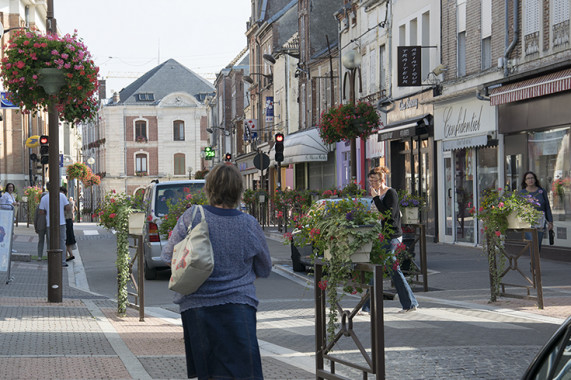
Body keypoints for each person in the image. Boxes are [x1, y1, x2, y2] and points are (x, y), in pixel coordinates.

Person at [160, 163, 272, 380]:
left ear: (209, 188)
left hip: (197, 307)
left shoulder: (193, 216)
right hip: (239, 306)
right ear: (239, 190)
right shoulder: (249, 223)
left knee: (209, 374)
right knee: (245, 373)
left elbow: (167, 256)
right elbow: (264, 267)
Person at [362, 166, 419, 313]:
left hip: (392, 236)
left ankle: (368, 307)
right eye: (370, 181)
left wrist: (375, 197)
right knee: (388, 270)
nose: (372, 184)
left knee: (381, 269)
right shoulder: (379, 196)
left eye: (374, 181)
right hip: (383, 236)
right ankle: (410, 303)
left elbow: (389, 215)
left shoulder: (390, 193)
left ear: (382, 180)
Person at [39, 186, 71, 267]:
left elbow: (41, 211)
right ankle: (62, 261)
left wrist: (47, 212)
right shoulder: (62, 196)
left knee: (51, 242)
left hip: (50, 223)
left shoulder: (44, 198)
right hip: (61, 222)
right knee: (62, 242)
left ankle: (52, 260)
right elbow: (68, 208)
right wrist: (61, 209)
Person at [521, 171, 553, 251]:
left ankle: (535, 262)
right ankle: (533, 262)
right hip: (528, 222)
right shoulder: (522, 193)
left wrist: (550, 221)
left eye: (532, 178)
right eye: (528, 178)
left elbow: (547, 207)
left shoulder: (541, 191)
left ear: (535, 179)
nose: (530, 180)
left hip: (540, 222)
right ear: (525, 181)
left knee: (537, 244)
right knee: (532, 242)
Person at [61, 188, 77, 262]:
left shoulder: (67, 202)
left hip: (66, 221)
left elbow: (67, 210)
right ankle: (70, 254)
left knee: (66, 238)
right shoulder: (68, 202)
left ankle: (67, 255)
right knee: (67, 239)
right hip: (69, 221)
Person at [34, 191, 49, 261]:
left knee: (48, 241)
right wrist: (35, 227)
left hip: (47, 225)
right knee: (41, 241)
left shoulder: (49, 206)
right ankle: (39, 255)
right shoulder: (39, 206)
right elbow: (35, 217)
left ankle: (49, 255)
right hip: (41, 225)